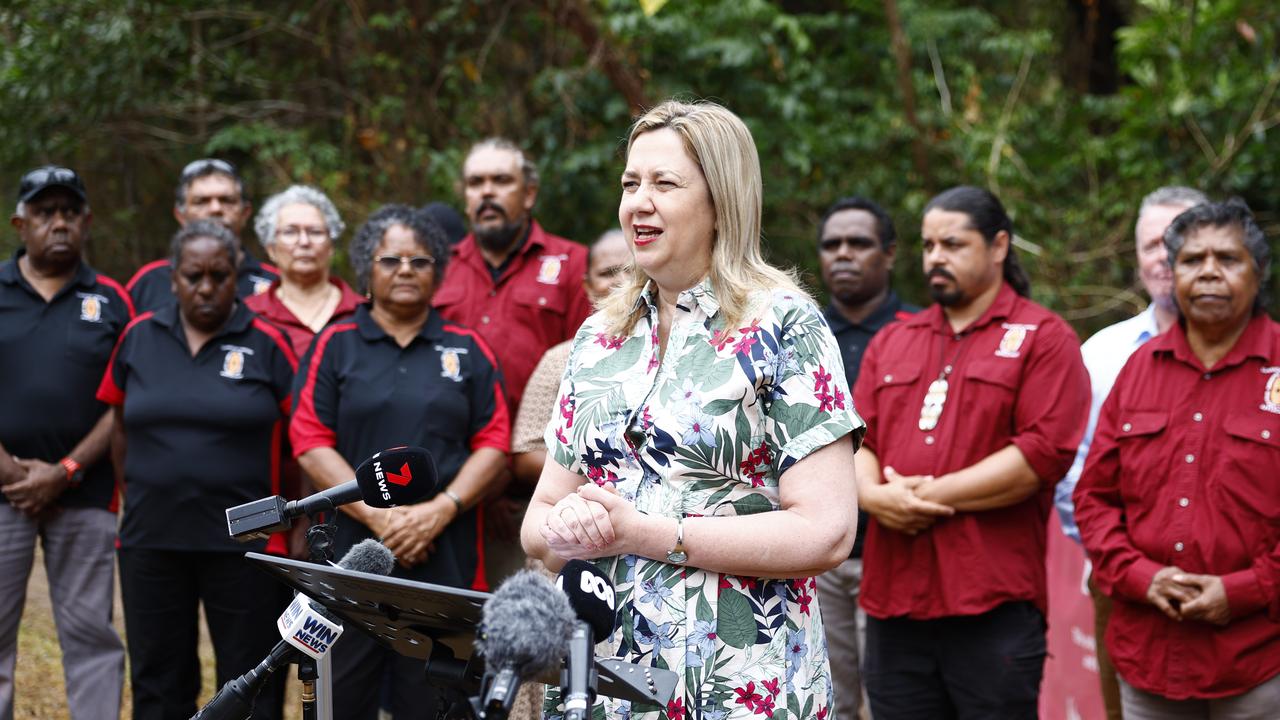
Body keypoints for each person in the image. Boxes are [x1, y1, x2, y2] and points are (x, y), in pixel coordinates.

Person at [521, 100, 863, 720]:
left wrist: (648, 535)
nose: (637, 202)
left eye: (664, 183)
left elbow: (828, 530)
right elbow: (537, 524)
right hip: (598, 681)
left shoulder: (783, 325)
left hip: (735, 684)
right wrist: (568, 527)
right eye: (630, 183)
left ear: (720, 201)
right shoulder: (598, 339)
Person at [853, 185, 1089, 718]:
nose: (936, 257)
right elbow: (856, 438)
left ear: (999, 245)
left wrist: (923, 497)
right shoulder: (895, 339)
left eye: (953, 244)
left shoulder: (1044, 338)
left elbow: (1039, 456)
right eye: (928, 245)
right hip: (895, 604)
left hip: (992, 606)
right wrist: (871, 495)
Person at [290, 205, 509, 720]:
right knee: (342, 700)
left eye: (420, 260)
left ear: (439, 272)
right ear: (367, 269)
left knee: (437, 701)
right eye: (391, 260)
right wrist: (380, 517)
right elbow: (309, 437)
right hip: (350, 562)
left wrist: (440, 509)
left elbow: (495, 441)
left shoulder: (468, 348)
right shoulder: (336, 344)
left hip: (447, 559)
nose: (406, 269)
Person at [1074, 198, 1280, 719]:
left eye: (1227, 259)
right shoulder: (1139, 367)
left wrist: (1243, 590)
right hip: (1149, 656)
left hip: (1259, 660)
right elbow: (1094, 498)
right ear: (1172, 273)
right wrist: (1143, 576)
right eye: (1192, 260)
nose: (1208, 271)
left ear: (1258, 273)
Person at [98, 220, 296, 720]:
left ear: (237, 277)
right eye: (193, 276)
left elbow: (301, 439)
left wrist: (294, 522)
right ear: (173, 278)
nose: (206, 287)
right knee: (158, 681)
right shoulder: (139, 336)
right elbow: (120, 425)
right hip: (152, 539)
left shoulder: (269, 342)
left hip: (247, 546)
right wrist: (139, 492)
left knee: (253, 680)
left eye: (219, 275)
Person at [1053, 185, 1206, 719]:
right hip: (1122, 582)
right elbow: (1075, 473)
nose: (1163, 257)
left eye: (1177, 240)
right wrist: (1114, 559)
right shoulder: (1103, 352)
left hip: (1241, 594)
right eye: (1150, 246)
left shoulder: (1266, 360)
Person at [0, 166, 129, 720]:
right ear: (19, 223)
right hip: (0, 494)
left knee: (90, 636)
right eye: (45, 212)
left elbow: (123, 402)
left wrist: (67, 468)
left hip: (86, 491)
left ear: (86, 221)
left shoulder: (112, 300)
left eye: (69, 212)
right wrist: (6, 469)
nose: (59, 222)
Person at [432, 137, 593, 582]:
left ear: (529, 194)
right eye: (475, 183)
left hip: (539, 497)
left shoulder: (574, 265)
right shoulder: (438, 268)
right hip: (446, 495)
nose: (486, 193)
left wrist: (519, 485)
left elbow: (587, 378)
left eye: (501, 181)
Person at [505, 227, 629, 720]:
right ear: (586, 284)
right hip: (565, 545)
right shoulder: (566, 357)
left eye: (628, 267)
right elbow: (524, 451)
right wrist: (595, 477)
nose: (620, 278)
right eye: (606, 271)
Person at [813, 196, 917, 720]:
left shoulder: (919, 332)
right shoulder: (799, 333)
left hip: (900, 547)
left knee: (892, 703)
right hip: (813, 555)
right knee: (828, 699)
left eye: (859, 243)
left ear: (890, 253)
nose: (844, 255)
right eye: (832, 245)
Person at [126, 158, 278, 312]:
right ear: (181, 215)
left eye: (227, 200)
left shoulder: (275, 283)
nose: (215, 209)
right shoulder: (149, 281)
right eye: (201, 201)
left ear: (245, 213)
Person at [245, 185, 364, 357]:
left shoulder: (363, 313)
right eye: (290, 232)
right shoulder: (249, 315)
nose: (304, 242)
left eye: (315, 232)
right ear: (270, 248)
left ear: (331, 246)